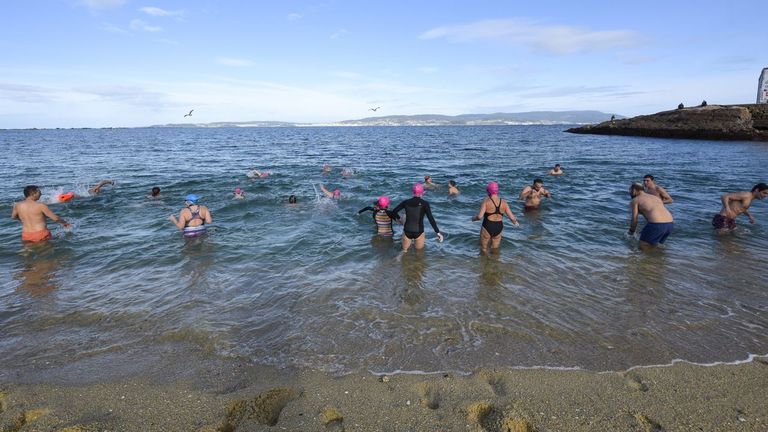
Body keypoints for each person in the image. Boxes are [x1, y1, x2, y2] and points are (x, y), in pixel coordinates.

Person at [391, 183, 444, 251]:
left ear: (413, 192)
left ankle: (398, 259)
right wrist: (437, 232)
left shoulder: (406, 202)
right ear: (422, 192)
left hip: (407, 231)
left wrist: (398, 219)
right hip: (419, 231)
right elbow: (431, 219)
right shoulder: (425, 203)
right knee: (419, 253)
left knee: (404, 251)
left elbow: (394, 211)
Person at [471, 182, 520, 253]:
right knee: (495, 249)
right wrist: (516, 224)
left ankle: (484, 263)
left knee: (483, 248)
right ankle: (495, 263)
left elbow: (479, 217)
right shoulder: (504, 202)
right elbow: (512, 218)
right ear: (497, 191)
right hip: (499, 227)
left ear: (488, 191)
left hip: (488, 226)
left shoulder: (486, 201)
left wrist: (473, 219)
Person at [628, 183, 674, 248]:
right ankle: (658, 258)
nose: (629, 192)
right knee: (657, 246)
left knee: (643, 246)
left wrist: (631, 231)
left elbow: (634, 219)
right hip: (670, 224)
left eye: (630, 190)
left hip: (656, 225)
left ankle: (648, 258)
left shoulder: (635, 200)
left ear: (634, 190)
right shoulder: (655, 197)